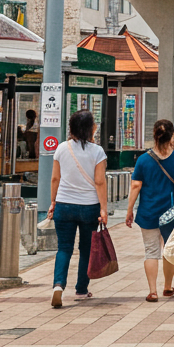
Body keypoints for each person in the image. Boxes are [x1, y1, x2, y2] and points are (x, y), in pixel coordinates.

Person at [47, 110, 108, 307]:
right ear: (91, 128)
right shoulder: (97, 151)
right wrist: (104, 209)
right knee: (86, 249)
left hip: (64, 205)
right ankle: (81, 289)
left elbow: (55, 178)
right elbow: (100, 182)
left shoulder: (61, 148)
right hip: (89, 206)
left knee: (64, 248)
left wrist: (53, 202)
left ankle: (58, 285)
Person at [126, 118, 174, 301]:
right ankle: (167, 287)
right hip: (173, 214)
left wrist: (130, 210)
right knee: (169, 249)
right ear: (172, 137)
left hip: (149, 212)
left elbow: (136, 186)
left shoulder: (144, 160)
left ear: (154, 135)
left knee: (151, 251)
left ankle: (152, 291)